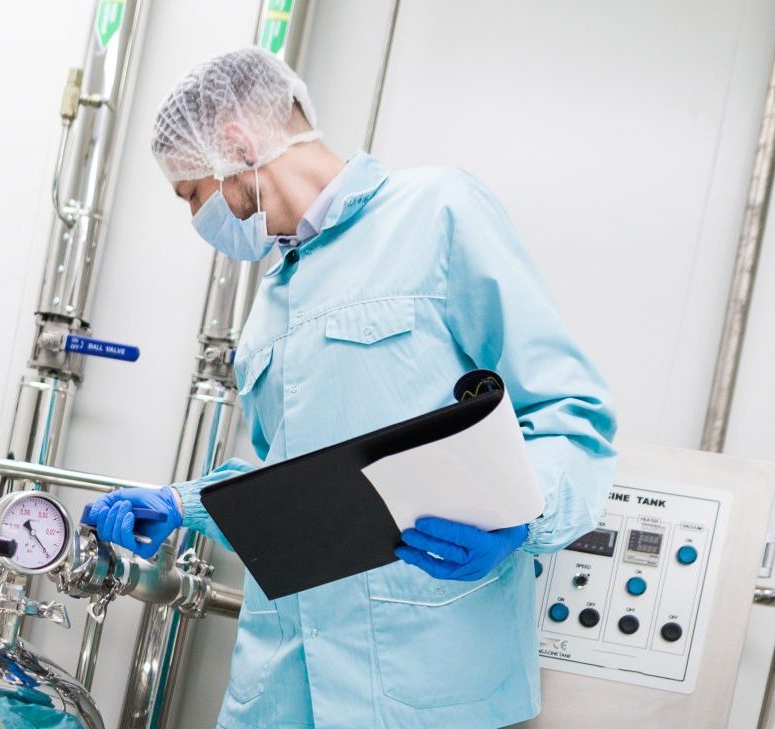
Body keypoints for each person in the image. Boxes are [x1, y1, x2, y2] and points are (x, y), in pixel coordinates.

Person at [81, 48, 618, 728]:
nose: (195, 218)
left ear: (234, 146)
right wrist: (182, 504)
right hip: (281, 691)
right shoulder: (268, 307)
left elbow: (572, 413)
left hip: (423, 689)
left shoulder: (438, 213)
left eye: (191, 193)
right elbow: (296, 492)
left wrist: (524, 517)